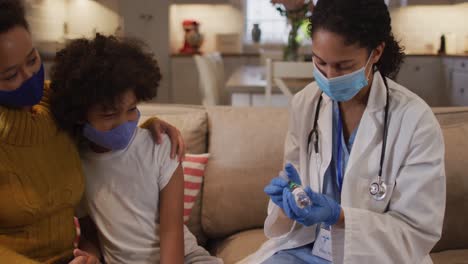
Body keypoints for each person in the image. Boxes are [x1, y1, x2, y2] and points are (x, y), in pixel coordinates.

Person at [240, 0, 445, 263]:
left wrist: (339, 217)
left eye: (344, 66)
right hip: (307, 250)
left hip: (376, 257)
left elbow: (417, 233)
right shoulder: (306, 104)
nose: (329, 76)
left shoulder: (415, 120)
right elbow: (296, 184)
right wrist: (288, 203)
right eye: (320, 62)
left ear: (377, 53)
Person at [0, 1, 184, 263]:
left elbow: (106, 114)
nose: (30, 76)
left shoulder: (56, 102)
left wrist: (146, 125)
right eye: (10, 75)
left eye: (32, 59)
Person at [49, 34, 222, 264]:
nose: (124, 123)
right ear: (79, 114)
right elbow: (91, 232)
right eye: (109, 114)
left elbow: (172, 232)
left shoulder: (161, 148)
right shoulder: (76, 163)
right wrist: (90, 255)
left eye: (131, 109)